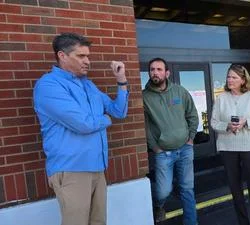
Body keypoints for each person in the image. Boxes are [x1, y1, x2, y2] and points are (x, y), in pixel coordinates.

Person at [33, 33, 129, 225]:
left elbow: (119, 111)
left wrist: (121, 81)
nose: (87, 61)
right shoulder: (49, 85)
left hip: (97, 168)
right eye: (81, 56)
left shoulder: (88, 85)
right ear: (62, 55)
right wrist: (105, 120)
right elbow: (82, 124)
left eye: (88, 56)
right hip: (71, 170)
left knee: (98, 222)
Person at [142, 58, 199, 225]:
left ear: (167, 73)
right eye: (152, 69)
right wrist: (155, 147)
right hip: (163, 153)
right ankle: (159, 206)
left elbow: (192, 115)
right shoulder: (144, 97)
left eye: (159, 69)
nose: (155, 72)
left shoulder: (180, 92)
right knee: (162, 191)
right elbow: (145, 126)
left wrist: (190, 138)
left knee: (187, 188)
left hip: (185, 149)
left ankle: (191, 222)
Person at [211, 64, 250, 225]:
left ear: (243, 80)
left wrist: (246, 122)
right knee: (235, 190)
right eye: (228, 77)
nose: (230, 80)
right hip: (228, 147)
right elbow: (214, 122)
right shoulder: (221, 98)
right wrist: (227, 126)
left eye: (234, 77)